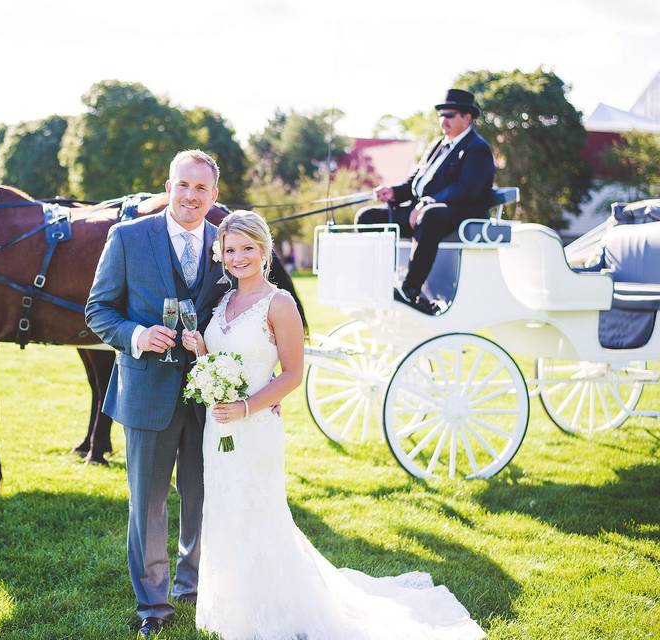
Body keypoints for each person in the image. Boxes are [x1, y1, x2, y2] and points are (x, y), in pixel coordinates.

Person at [180, 210, 486, 640]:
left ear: (264, 250)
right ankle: (233, 610)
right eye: (230, 250)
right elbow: (218, 364)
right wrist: (199, 350)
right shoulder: (222, 303)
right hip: (221, 429)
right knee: (224, 512)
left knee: (260, 514)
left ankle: (278, 613)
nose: (238, 257)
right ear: (221, 255)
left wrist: (247, 407)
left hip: (255, 427)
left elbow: (291, 374)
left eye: (247, 248)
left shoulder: (279, 303)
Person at [84, 149, 229, 638]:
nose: (191, 196)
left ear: (214, 195)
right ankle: (154, 603)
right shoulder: (127, 238)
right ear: (168, 187)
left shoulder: (224, 244)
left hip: (207, 397)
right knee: (147, 502)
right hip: (146, 391)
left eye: (201, 189)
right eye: (182, 186)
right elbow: (98, 310)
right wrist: (137, 336)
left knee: (201, 495)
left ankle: (191, 584)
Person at [355, 88, 496, 314]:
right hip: (421, 212)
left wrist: (427, 203)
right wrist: (394, 192)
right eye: (441, 114)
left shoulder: (477, 149)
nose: (443, 120)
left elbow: (469, 189)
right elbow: (415, 184)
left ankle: (410, 289)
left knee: (431, 215)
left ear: (467, 117)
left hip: (459, 213)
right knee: (367, 217)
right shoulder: (437, 146)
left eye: (449, 115)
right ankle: (379, 282)